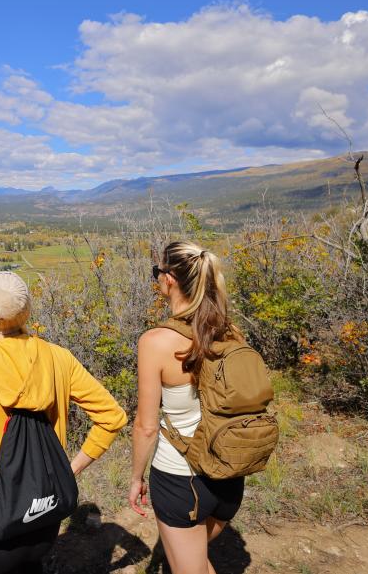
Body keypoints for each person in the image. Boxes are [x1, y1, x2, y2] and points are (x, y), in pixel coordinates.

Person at [0, 271, 128, 574]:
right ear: (27, 311)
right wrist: (68, 471)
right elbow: (112, 418)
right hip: (45, 511)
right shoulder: (59, 359)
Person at [129, 241, 246, 574]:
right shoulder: (230, 332)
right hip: (228, 473)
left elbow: (146, 426)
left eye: (158, 272)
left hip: (181, 481)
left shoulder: (156, 343)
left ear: (170, 280)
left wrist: (136, 478)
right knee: (197, 561)